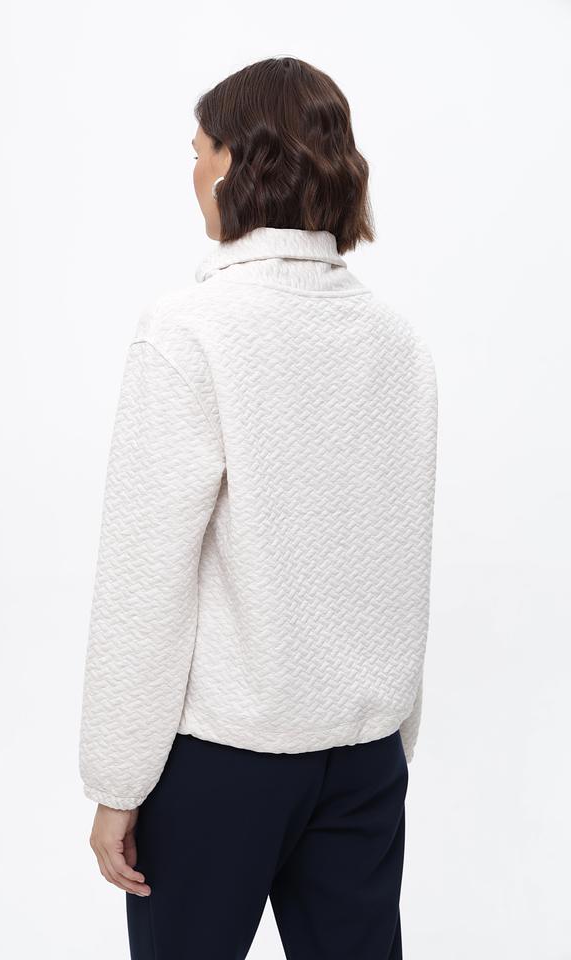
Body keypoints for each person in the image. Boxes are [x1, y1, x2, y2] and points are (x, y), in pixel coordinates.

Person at [78, 55, 438, 960]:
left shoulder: (190, 331)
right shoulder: (397, 343)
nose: (193, 169)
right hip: (362, 757)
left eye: (200, 149)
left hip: (222, 758)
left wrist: (118, 781)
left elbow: (145, 576)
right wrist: (391, 730)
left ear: (240, 162)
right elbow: (401, 550)